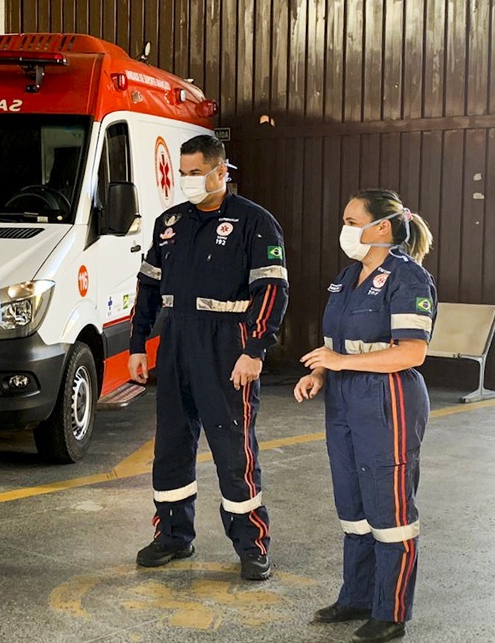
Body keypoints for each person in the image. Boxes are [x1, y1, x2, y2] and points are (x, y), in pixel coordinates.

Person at [128, 134, 289, 580]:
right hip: (178, 339)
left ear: (222, 171)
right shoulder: (171, 222)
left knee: (233, 448)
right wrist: (139, 343)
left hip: (228, 345)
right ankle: (173, 536)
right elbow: (148, 288)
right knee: (172, 446)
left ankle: (252, 546)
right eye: (183, 173)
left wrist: (255, 349)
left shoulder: (254, 222)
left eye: (196, 173)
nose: (188, 181)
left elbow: (272, 290)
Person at [294, 189, 436, 643]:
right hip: (345, 398)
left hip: (387, 399)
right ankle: (356, 596)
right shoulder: (347, 276)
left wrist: (339, 364)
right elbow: (339, 344)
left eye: (352, 220)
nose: (345, 228)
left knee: (388, 507)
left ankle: (390, 611)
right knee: (353, 507)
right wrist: (320, 372)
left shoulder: (408, 278)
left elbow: (411, 352)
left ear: (382, 228)